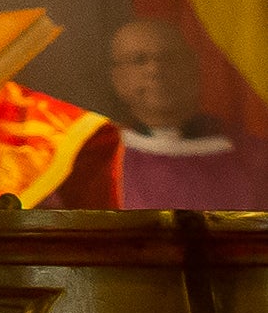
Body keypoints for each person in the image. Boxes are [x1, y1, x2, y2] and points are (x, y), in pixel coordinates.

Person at [109, 15, 268, 210]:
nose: (155, 69)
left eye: (169, 57)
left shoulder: (253, 157)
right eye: (139, 60)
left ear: (193, 68)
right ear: (117, 79)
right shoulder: (102, 161)